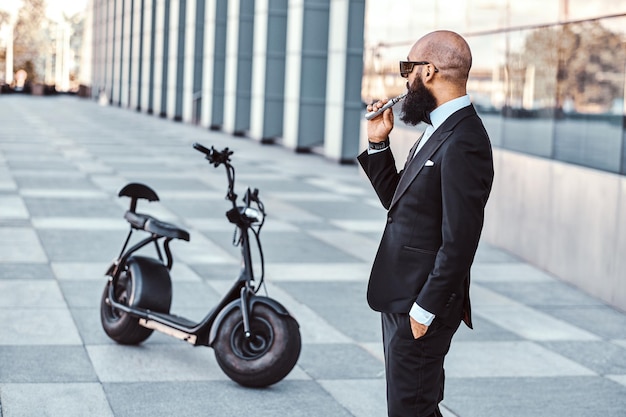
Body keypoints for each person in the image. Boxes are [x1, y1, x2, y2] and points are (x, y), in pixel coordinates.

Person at [358, 30, 494, 417]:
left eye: (408, 69)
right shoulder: (438, 129)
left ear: (429, 71)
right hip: (403, 297)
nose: (405, 79)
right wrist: (379, 143)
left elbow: (460, 241)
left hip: (422, 303)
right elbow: (399, 203)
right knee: (414, 406)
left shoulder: (464, 138)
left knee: (410, 409)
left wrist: (424, 311)